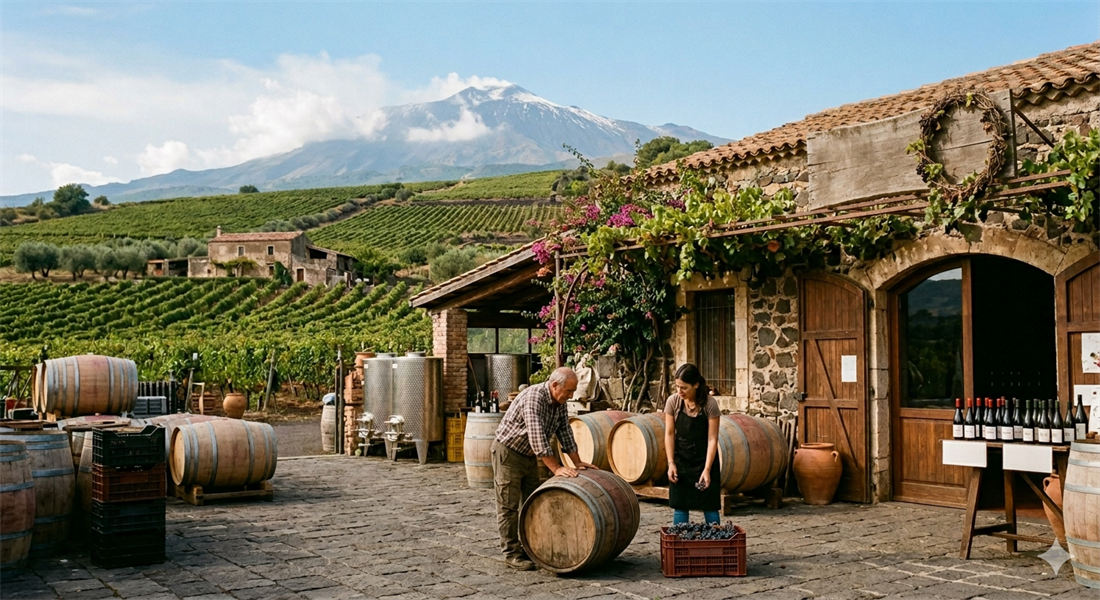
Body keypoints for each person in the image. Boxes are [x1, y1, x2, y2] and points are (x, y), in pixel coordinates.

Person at [492, 367, 599, 570]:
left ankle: (530, 546)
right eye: (569, 391)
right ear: (555, 385)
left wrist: (577, 462)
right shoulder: (534, 398)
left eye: (573, 391)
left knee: (532, 502)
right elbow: (537, 438)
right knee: (508, 505)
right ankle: (511, 553)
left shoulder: (560, 402)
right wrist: (556, 468)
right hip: (509, 454)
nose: (571, 396)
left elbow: (564, 431)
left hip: (529, 456)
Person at [664, 363, 721, 525]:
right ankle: (679, 539)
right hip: (681, 460)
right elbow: (669, 434)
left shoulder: (710, 404)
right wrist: (671, 463)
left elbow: (712, 439)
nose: (679, 391)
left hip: (705, 459)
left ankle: (715, 538)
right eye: (677, 387)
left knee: (710, 505)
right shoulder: (673, 402)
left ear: (696, 385)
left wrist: (707, 469)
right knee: (680, 505)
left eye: (684, 387)